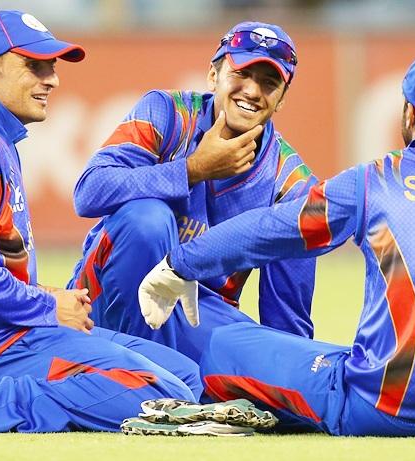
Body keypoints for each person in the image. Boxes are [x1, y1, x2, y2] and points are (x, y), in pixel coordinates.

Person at [137, 44, 415, 436]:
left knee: (228, 344)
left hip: (375, 406)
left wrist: (181, 263)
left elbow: (271, 231)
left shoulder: (376, 182)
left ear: (410, 114)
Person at [0, 10, 212, 434]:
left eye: (52, 66)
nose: (52, 79)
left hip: (12, 334)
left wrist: (52, 299)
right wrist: (49, 307)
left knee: (185, 375)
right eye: (34, 65)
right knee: (160, 392)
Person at [68, 22, 318, 362]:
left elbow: (287, 319)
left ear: (282, 99)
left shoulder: (292, 187)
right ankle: (152, 381)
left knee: (267, 356)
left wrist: (285, 372)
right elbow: (89, 191)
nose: (253, 91)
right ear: (213, 76)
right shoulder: (166, 114)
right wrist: (192, 170)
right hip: (104, 299)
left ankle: (154, 378)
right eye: (241, 73)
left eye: (269, 82)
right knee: (148, 219)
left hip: (196, 315)